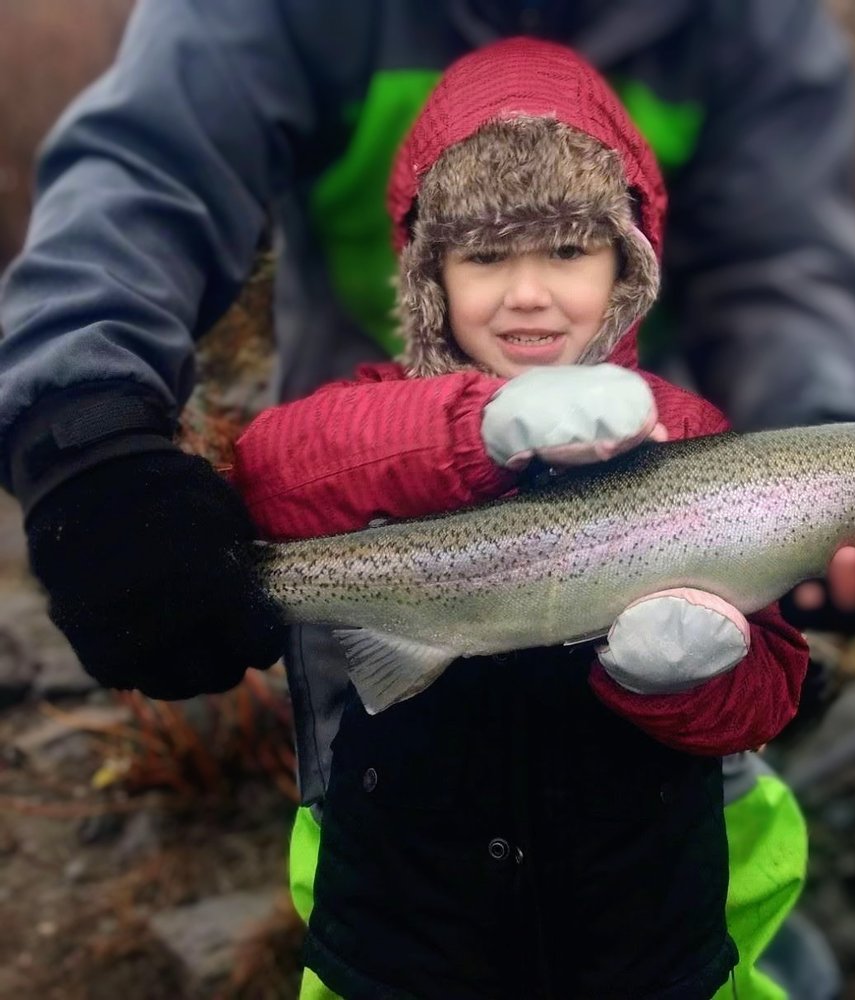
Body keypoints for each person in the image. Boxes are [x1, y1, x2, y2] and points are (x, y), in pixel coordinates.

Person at [232, 37, 811, 998]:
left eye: (570, 250)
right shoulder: (375, 412)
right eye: (487, 255)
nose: (529, 292)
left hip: (640, 940)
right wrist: (474, 430)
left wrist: (685, 682)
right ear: (431, 278)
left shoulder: (690, 434)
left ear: (626, 266)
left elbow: (772, 692)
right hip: (403, 938)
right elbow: (270, 469)